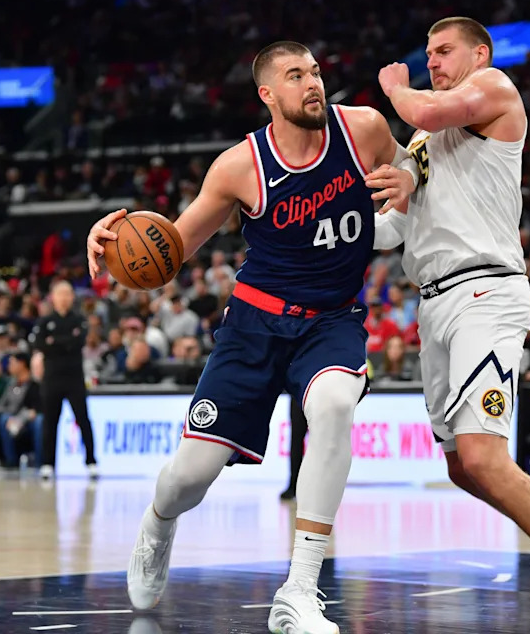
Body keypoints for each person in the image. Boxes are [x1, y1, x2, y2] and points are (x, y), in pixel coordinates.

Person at [85, 41, 419, 633]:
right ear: (267, 94)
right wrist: (113, 243)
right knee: (190, 475)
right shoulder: (239, 166)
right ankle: (159, 521)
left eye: (315, 72)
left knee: (336, 405)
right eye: (295, 76)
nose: (312, 83)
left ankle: (299, 588)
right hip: (254, 326)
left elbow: (417, 171)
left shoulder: (363, 129)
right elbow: (173, 248)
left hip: (332, 319)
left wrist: (409, 185)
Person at [370, 17, 530, 631]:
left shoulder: (492, 88)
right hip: (433, 302)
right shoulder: (422, 139)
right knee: (462, 465)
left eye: (443, 51)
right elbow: (399, 229)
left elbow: (431, 111)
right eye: (428, 54)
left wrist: (395, 90)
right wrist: (334, 232)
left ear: (479, 53)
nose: (432, 62)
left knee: (486, 456)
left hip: (484, 292)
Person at [31, 280, 97, 480]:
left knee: (83, 419)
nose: (64, 298)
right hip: (52, 378)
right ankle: (48, 464)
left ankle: (91, 461)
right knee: (50, 422)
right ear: (53, 297)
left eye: (68, 293)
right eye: (60, 294)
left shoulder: (79, 319)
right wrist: (64, 342)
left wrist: (56, 342)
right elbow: (40, 344)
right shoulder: (45, 321)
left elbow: (78, 342)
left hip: (74, 378)